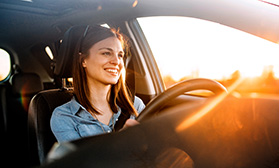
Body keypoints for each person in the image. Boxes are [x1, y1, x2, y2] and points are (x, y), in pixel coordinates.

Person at [50, 25, 145, 143]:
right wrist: (121, 142)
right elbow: (83, 161)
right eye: (106, 53)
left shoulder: (135, 105)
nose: (116, 62)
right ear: (83, 60)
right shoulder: (64, 117)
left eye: (120, 55)